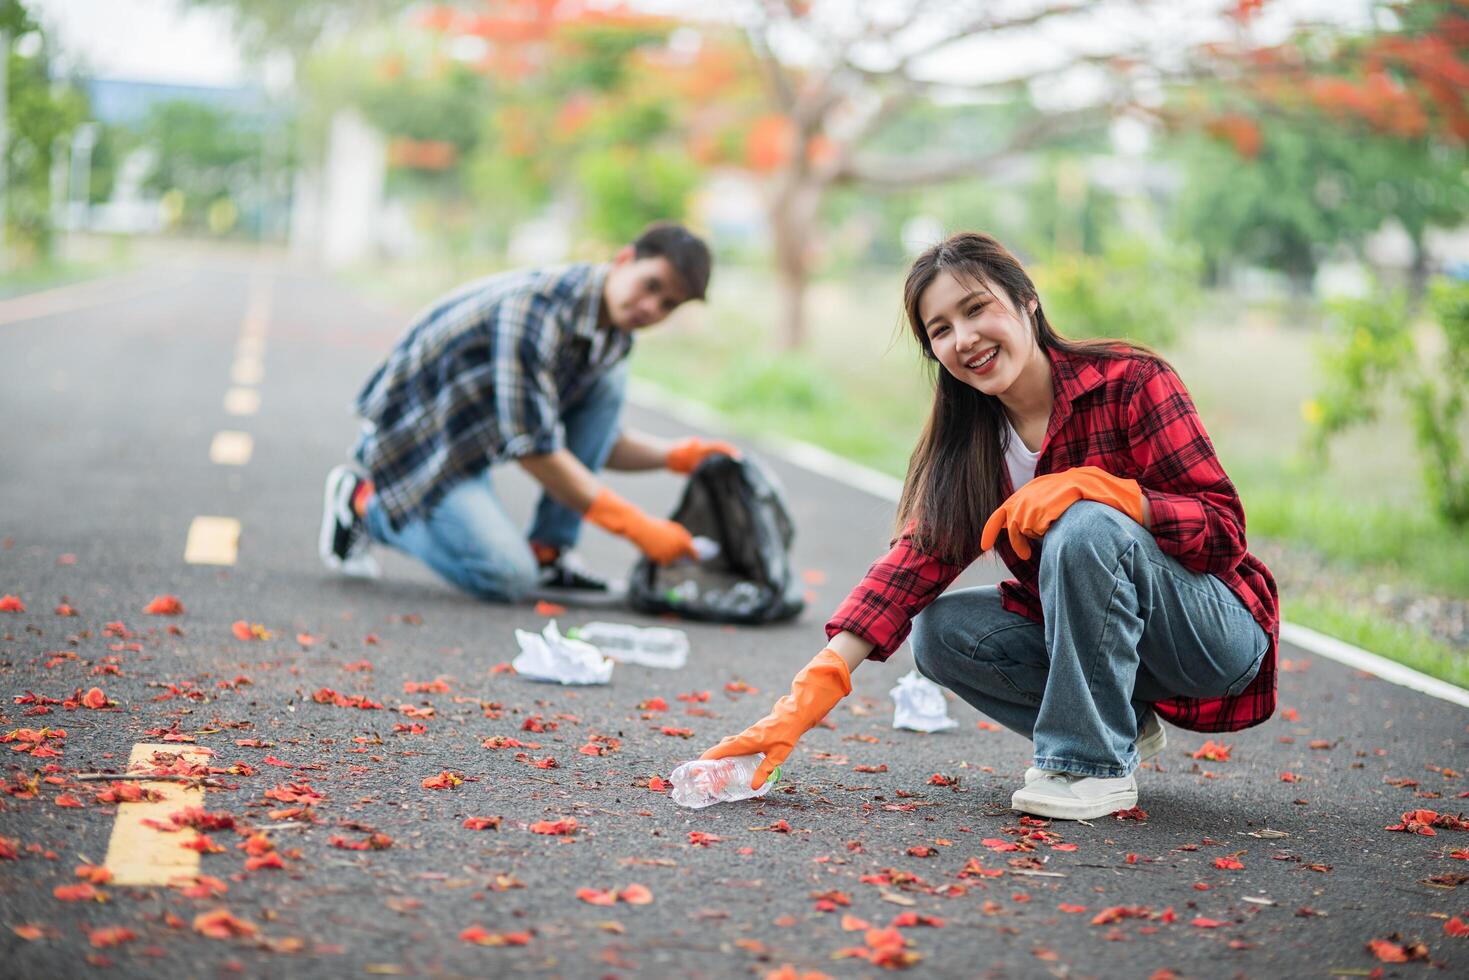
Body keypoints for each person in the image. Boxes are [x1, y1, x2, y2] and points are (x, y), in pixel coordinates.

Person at [701, 232, 1278, 821]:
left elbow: (1225, 529)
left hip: (1210, 637)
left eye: (976, 309)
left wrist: (1111, 493)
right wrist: (800, 704)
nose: (965, 338)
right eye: (941, 329)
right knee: (941, 631)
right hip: (1114, 650)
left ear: (1026, 300)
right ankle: (1115, 720)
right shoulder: (974, 446)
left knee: (1084, 524)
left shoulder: (1129, 382)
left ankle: (1090, 764)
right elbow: (909, 569)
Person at [318, 222, 737, 601]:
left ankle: (549, 552)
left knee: (607, 385)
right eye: (651, 286)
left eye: (668, 305)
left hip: (476, 435)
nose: (652, 309)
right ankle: (365, 505)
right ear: (625, 259)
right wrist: (638, 527)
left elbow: (592, 441)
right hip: (420, 444)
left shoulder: (613, 331)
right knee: (506, 578)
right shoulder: (535, 312)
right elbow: (536, 451)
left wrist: (677, 456)